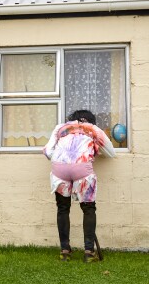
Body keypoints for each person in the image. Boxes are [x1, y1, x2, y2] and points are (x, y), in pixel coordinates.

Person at [43, 109, 115, 262]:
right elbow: (110, 152)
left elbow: (48, 152)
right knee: (88, 209)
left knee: (63, 209)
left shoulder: (60, 128)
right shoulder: (93, 129)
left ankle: (65, 251)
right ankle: (89, 252)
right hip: (82, 168)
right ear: (90, 120)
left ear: (71, 119)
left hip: (59, 168)